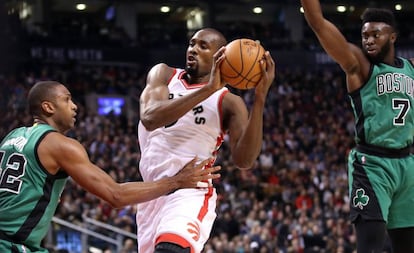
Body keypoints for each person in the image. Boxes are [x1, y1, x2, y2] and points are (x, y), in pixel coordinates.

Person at [0, 81, 221, 253]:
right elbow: (116, 195)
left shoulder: (12, 137)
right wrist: (177, 181)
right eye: (67, 100)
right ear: (48, 107)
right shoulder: (60, 145)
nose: (74, 106)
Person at [136, 27, 275, 253]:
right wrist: (209, 87)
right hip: (150, 194)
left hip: (190, 193)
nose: (193, 49)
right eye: (192, 43)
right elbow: (150, 118)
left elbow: (244, 161)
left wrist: (260, 98)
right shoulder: (163, 74)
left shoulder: (229, 102)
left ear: (221, 55)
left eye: (203, 46)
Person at [300, 1, 414, 252]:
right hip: (373, 164)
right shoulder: (359, 65)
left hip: (407, 164)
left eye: (376, 34)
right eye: (365, 35)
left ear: (392, 36)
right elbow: (317, 23)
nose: (369, 40)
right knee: (370, 247)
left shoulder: (410, 68)